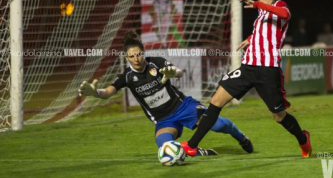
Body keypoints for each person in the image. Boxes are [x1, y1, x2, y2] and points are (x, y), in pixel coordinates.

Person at [181, 0, 312, 158]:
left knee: (279, 116)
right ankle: (191, 146)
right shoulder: (262, 13)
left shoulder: (279, 6)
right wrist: (250, 39)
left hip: (268, 70)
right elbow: (264, 31)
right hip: (247, 67)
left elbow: (285, 15)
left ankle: (303, 139)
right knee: (216, 101)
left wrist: (258, 4)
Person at [78, 31, 253, 158]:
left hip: (183, 107)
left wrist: (172, 73)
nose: (137, 59)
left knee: (219, 125)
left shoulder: (156, 63)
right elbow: (108, 92)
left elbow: (178, 72)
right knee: (164, 146)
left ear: (143, 52)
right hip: (164, 120)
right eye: (132, 56)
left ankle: (240, 136)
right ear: (126, 58)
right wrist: (96, 93)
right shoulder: (127, 77)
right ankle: (196, 152)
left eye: (139, 54)